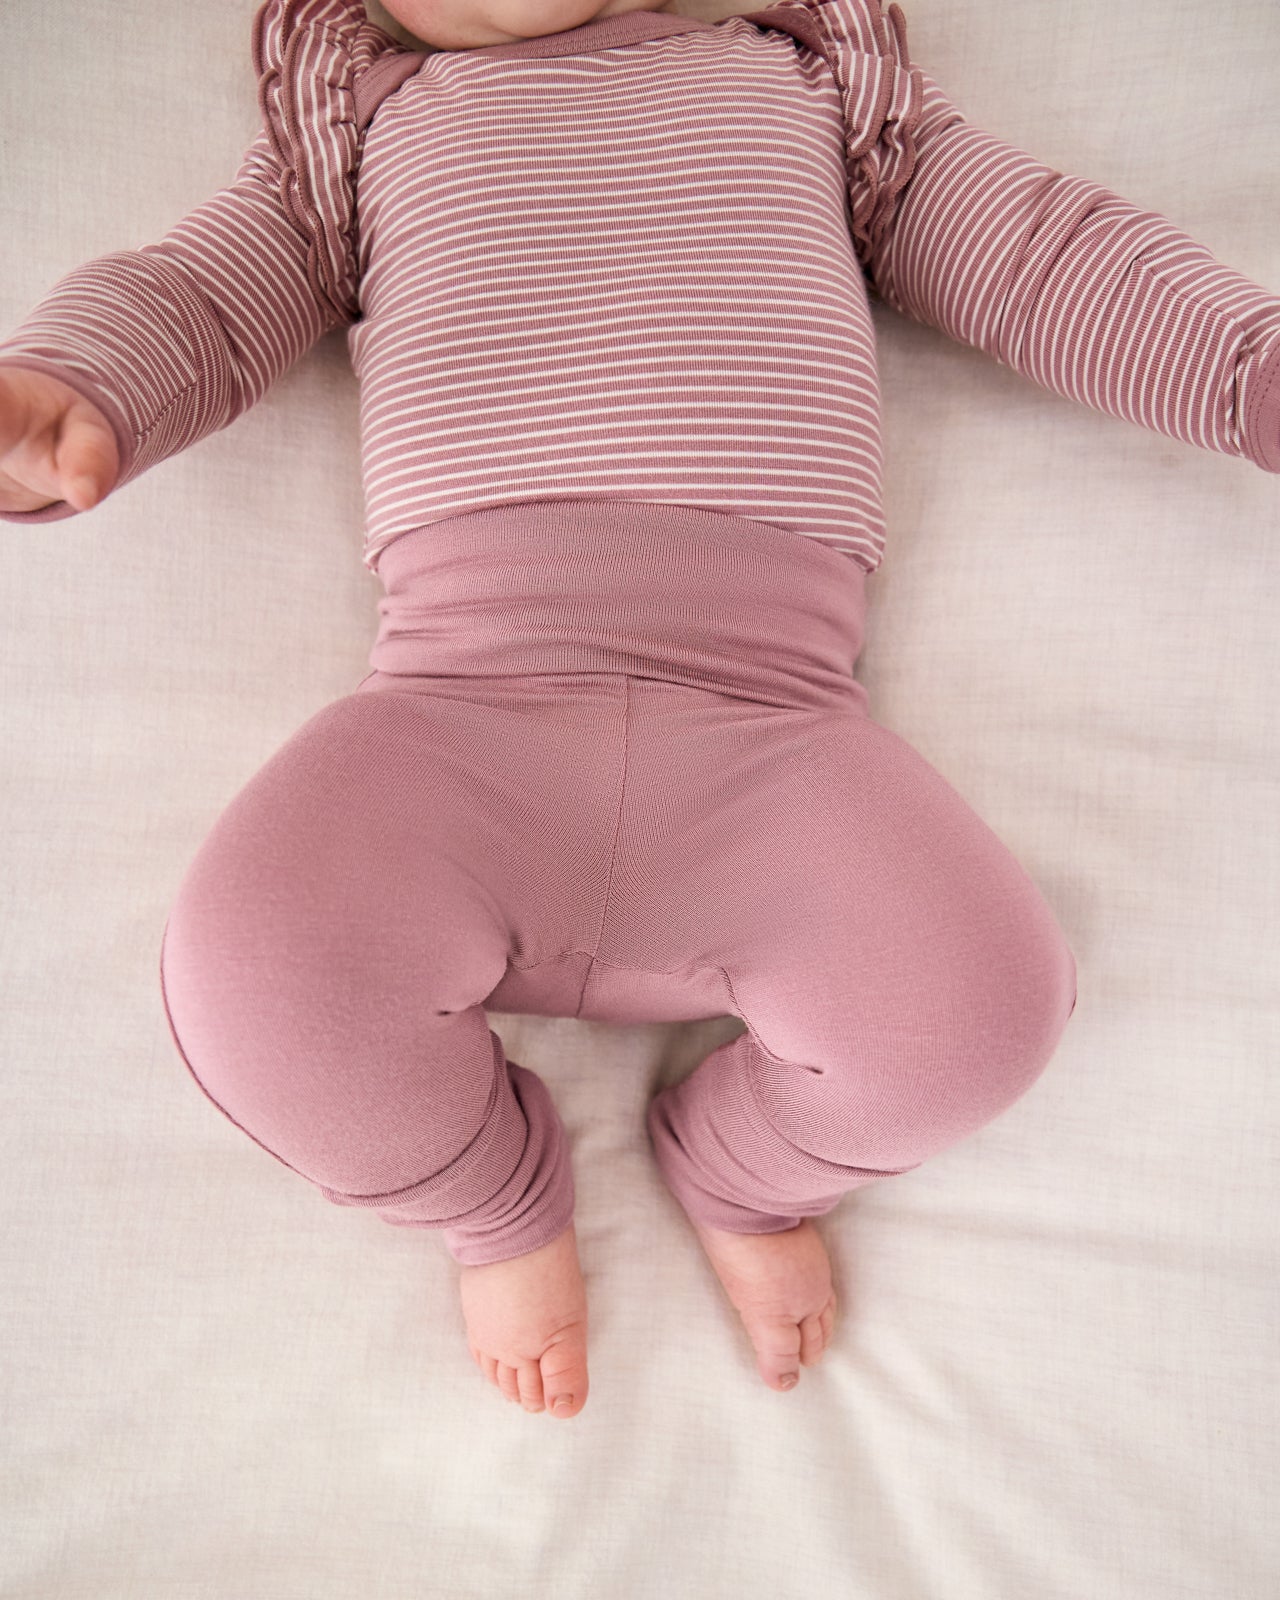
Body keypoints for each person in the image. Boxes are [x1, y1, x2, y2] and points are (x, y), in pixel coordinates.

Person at [1, 0, 1275, 1422]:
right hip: (458, 717)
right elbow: (197, 296)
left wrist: (1247, 367)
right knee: (258, 975)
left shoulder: (811, 93)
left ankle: (746, 1167)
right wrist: (73, 383)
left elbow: (1052, 261)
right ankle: (492, 1202)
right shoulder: (365, 128)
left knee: (979, 1009)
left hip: (771, 733)